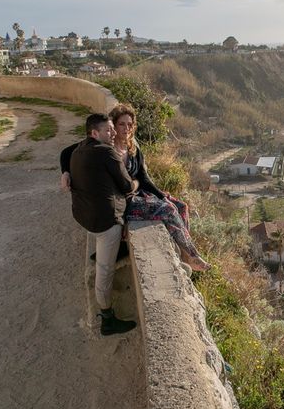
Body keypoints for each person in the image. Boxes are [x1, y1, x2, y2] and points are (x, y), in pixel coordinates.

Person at [60, 104, 210, 272]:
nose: (126, 128)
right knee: (168, 210)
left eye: (130, 124)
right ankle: (193, 255)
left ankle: (184, 256)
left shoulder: (132, 148)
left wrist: (161, 194)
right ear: (113, 126)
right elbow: (66, 152)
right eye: (122, 124)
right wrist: (65, 172)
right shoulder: (103, 146)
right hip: (122, 200)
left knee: (182, 207)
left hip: (139, 193)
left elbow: (144, 178)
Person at [69, 113, 139, 336]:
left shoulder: (79, 149)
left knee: (109, 253)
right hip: (106, 222)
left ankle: (106, 252)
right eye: (108, 130)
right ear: (94, 133)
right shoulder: (107, 151)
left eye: (112, 129)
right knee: (105, 272)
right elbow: (127, 185)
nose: (113, 133)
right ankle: (107, 318)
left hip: (85, 218)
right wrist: (136, 183)